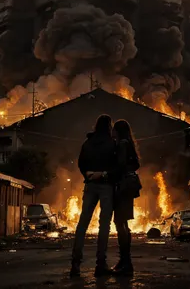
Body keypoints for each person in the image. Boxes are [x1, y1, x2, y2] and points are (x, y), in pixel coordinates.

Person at [70, 114, 117, 278]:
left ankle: (75, 264)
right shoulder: (113, 144)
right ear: (109, 126)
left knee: (83, 223)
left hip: (90, 186)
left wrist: (89, 175)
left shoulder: (87, 143)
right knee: (104, 226)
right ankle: (100, 264)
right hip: (106, 186)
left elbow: (81, 163)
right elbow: (117, 166)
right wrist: (104, 174)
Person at [111, 119, 140, 277]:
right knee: (123, 223)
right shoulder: (128, 143)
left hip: (122, 187)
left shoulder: (122, 144)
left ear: (118, 130)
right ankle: (124, 262)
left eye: (114, 129)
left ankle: (126, 262)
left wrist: (107, 174)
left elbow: (120, 166)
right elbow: (135, 165)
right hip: (128, 187)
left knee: (120, 223)